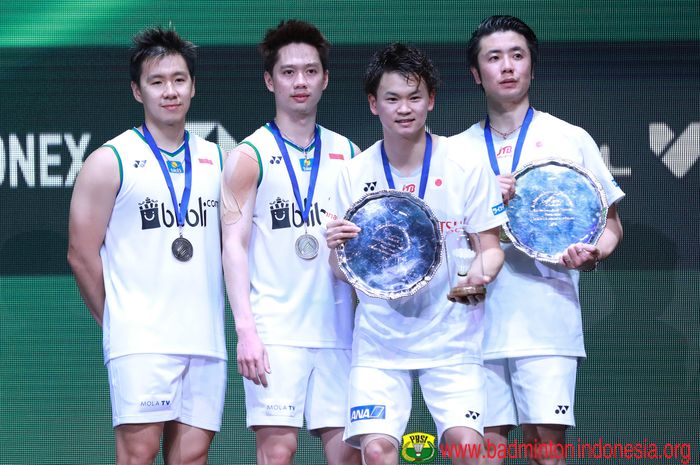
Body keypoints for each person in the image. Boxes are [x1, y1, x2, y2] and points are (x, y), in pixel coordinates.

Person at [450, 15, 625, 465]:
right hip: (473, 328)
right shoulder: (454, 152)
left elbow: (610, 224)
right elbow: (445, 232)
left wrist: (593, 254)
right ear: (477, 74)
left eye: (517, 55)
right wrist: (484, 202)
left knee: (547, 454)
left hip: (547, 322)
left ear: (531, 66)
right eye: (494, 58)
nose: (507, 66)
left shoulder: (570, 139)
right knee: (483, 454)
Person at [325, 43, 507, 465]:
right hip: (379, 342)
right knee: (378, 450)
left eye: (413, 97)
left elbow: (491, 249)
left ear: (430, 100)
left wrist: (476, 277)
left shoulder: (465, 165)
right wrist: (336, 249)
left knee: (467, 449)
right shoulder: (353, 174)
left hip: (452, 339)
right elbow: (340, 271)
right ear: (374, 104)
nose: (403, 109)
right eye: (391, 98)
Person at [67, 27, 227, 465]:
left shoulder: (218, 160)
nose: (169, 91)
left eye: (179, 80)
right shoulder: (109, 161)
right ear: (138, 91)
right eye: (157, 82)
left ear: (193, 86)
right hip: (141, 339)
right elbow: (80, 254)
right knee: (138, 455)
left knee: (192, 457)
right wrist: (119, 319)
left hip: (204, 338)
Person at [220, 20, 361, 465]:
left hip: (339, 330)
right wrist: (246, 331)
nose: (299, 81)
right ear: (269, 80)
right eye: (287, 72)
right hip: (275, 331)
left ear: (325, 79)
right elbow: (233, 245)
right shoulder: (247, 155)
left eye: (310, 71)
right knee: (278, 450)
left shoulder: (350, 154)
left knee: (346, 452)